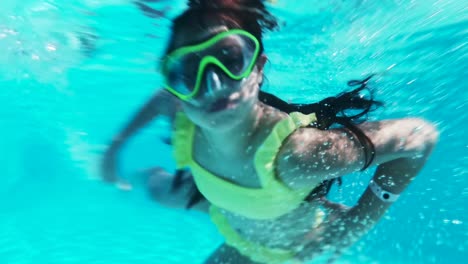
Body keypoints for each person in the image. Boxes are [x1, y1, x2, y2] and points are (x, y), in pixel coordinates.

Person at [101, 0, 438, 263]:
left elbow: (420, 137)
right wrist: (113, 148)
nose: (213, 83)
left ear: (258, 69)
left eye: (229, 59)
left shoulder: (296, 156)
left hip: (279, 253)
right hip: (225, 208)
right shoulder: (187, 117)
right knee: (151, 187)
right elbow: (162, 99)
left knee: (161, 191)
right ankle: (125, 179)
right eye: (189, 72)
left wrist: (358, 224)